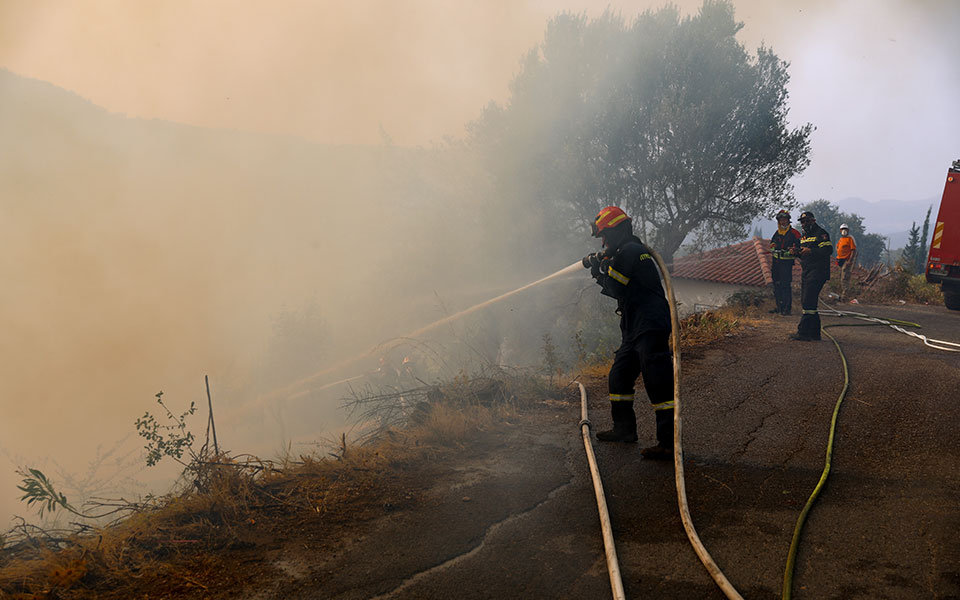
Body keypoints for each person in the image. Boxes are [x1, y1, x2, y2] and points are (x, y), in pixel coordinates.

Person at [582, 206, 675, 459]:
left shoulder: (631, 251)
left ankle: (668, 444)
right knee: (619, 377)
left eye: (605, 236)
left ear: (616, 232)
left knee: (658, 383)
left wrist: (601, 270)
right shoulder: (627, 251)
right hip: (635, 326)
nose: (603, 242)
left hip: (650, 325)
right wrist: (601, 270)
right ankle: (624, 430)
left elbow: (615, 287)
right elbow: (617, 285)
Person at [792, 211, 832, 341]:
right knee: (810, 303)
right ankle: (815, 334)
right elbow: (804, 254)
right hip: (807, 271)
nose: (804, 224)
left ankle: (803, 332)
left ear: (813, 221)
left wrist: (811, 251)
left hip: (818, 272)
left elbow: (828, 250)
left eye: (807, 221)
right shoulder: (803, 237)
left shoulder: (821, 233)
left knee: (807, 301)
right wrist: (796, 252)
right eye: (802, 222)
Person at [769, 210, 801, 315]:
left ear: (788, 221)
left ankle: (787, 309)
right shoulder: (777, 233)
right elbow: (772, 243)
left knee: (785, 285)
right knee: (776, 285)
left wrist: (791, 251)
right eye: (781, 220)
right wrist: (773, 247)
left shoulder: (794, 233)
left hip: (786, 264)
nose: (783, 222)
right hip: (776, 263)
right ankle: (779, 307)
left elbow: (799, 247)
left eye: (785, 220)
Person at [835, 224, 857, 300]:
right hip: (840, 260)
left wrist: (850, 261)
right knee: (840, 277)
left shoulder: (850, 239)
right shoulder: (841, 239)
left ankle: (845, 296)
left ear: (848, 230)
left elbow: (853, 250)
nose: (844, 230)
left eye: (845, 229)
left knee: (845, 278)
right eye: (842, 229)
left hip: (846, 261)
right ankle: (841, 294)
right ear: (840, 230)